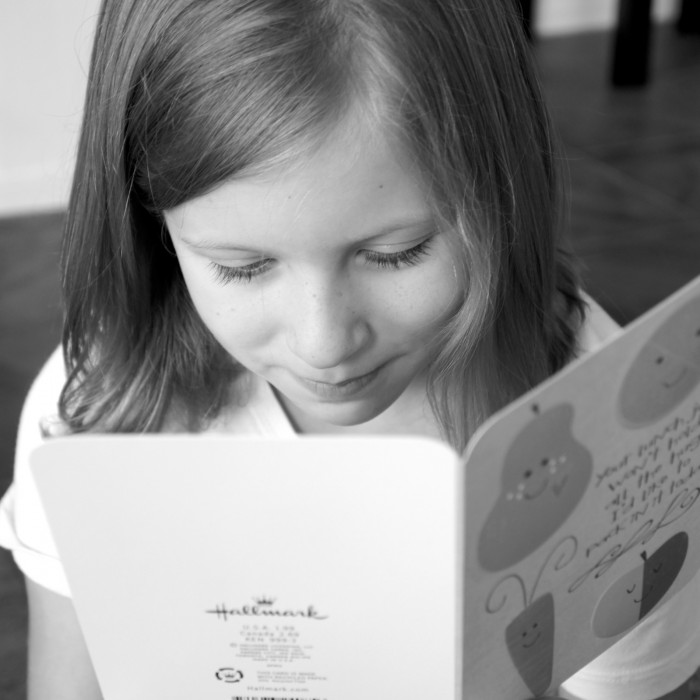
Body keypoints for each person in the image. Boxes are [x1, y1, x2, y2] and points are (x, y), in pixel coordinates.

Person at [0, 0, 698, 698]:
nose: (324, 342)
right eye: (241, 267)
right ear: (151, 226)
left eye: (397, 254)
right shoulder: (97, 413)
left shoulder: (607, 424)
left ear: (503, 188)